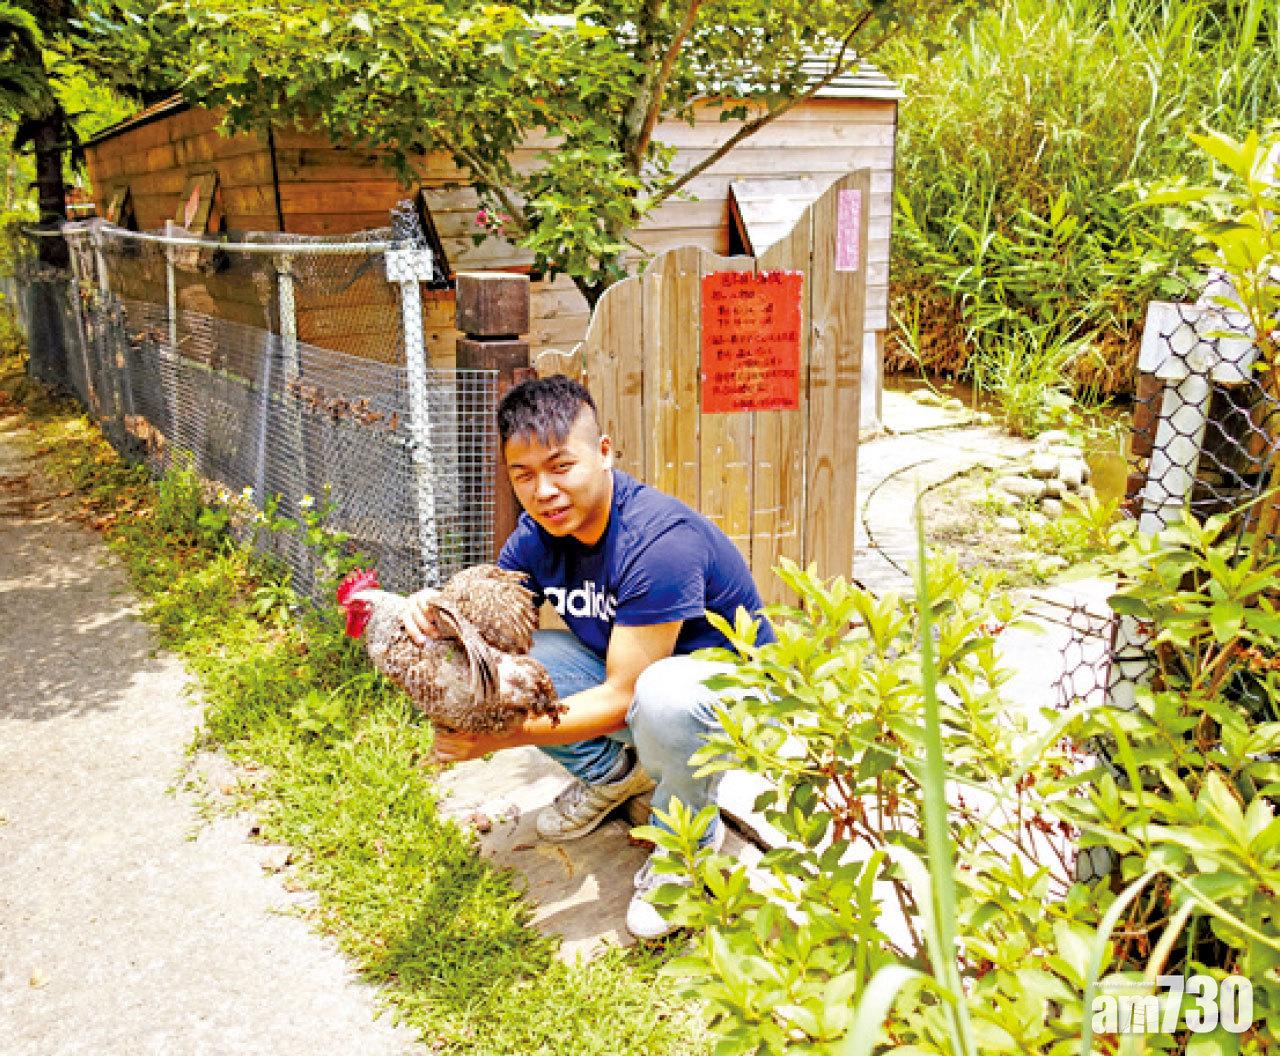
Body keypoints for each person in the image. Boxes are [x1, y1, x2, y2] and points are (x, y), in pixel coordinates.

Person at [402, 374, 775, 939]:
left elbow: (625, 695)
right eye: (523, 475)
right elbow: (486, 635)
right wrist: (436, 610)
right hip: (639, 691)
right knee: (515, 671)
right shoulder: (536, 536)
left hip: (726, 707)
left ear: (603, 453)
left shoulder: (657, 542)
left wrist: (497, 740)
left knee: (661, 698)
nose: (544, 490)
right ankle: (616, 776)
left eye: (561, 466)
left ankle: (687, 838)